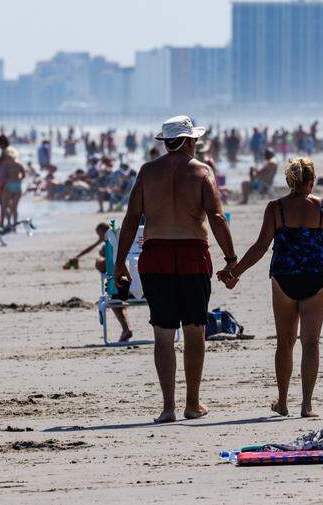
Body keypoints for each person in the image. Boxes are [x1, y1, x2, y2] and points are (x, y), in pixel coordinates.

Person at [113, 115, 238, 423]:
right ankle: (192, 404)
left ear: (167, 142)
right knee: (195, 329)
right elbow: (216, 217)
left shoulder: (147, 172)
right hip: (192, 254)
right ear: (189, 142)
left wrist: (119, 263)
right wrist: (231, 259)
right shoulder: (202, 172)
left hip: (156, 256)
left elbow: (131, 219)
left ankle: (168, 407)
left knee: (163, 333)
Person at [223, 158, 323, 418]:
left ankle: (282, 402)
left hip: (284, 277)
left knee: (285, 342)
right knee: (310, 342)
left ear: (290, 181)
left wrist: (234, 272)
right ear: (311, 181)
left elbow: (260, 247)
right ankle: (307, 405)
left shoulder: (276, 208)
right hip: (317, 277)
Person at [64, 222, 134, 342]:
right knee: (118, 296)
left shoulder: (111, 241)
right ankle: (126, 330)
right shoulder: (123, 238)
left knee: (114, 297)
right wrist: (78, 256)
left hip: (123, 287)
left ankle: (126, 329)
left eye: (99, 234)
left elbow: (93, 250)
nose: (99, 238)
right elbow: (92, 247)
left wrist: (99, 258)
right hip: (142, 287)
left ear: (103, 232)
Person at [0, 147, 26, 230]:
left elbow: (3, 177)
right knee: (15, 208)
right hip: (18, 186)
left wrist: (1, 187)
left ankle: (6, 223)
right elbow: (24, 175)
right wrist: (19, 179)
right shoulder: (19, 163)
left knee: (4, 206)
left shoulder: (5, 164)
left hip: (8, 185)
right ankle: (14, 226)